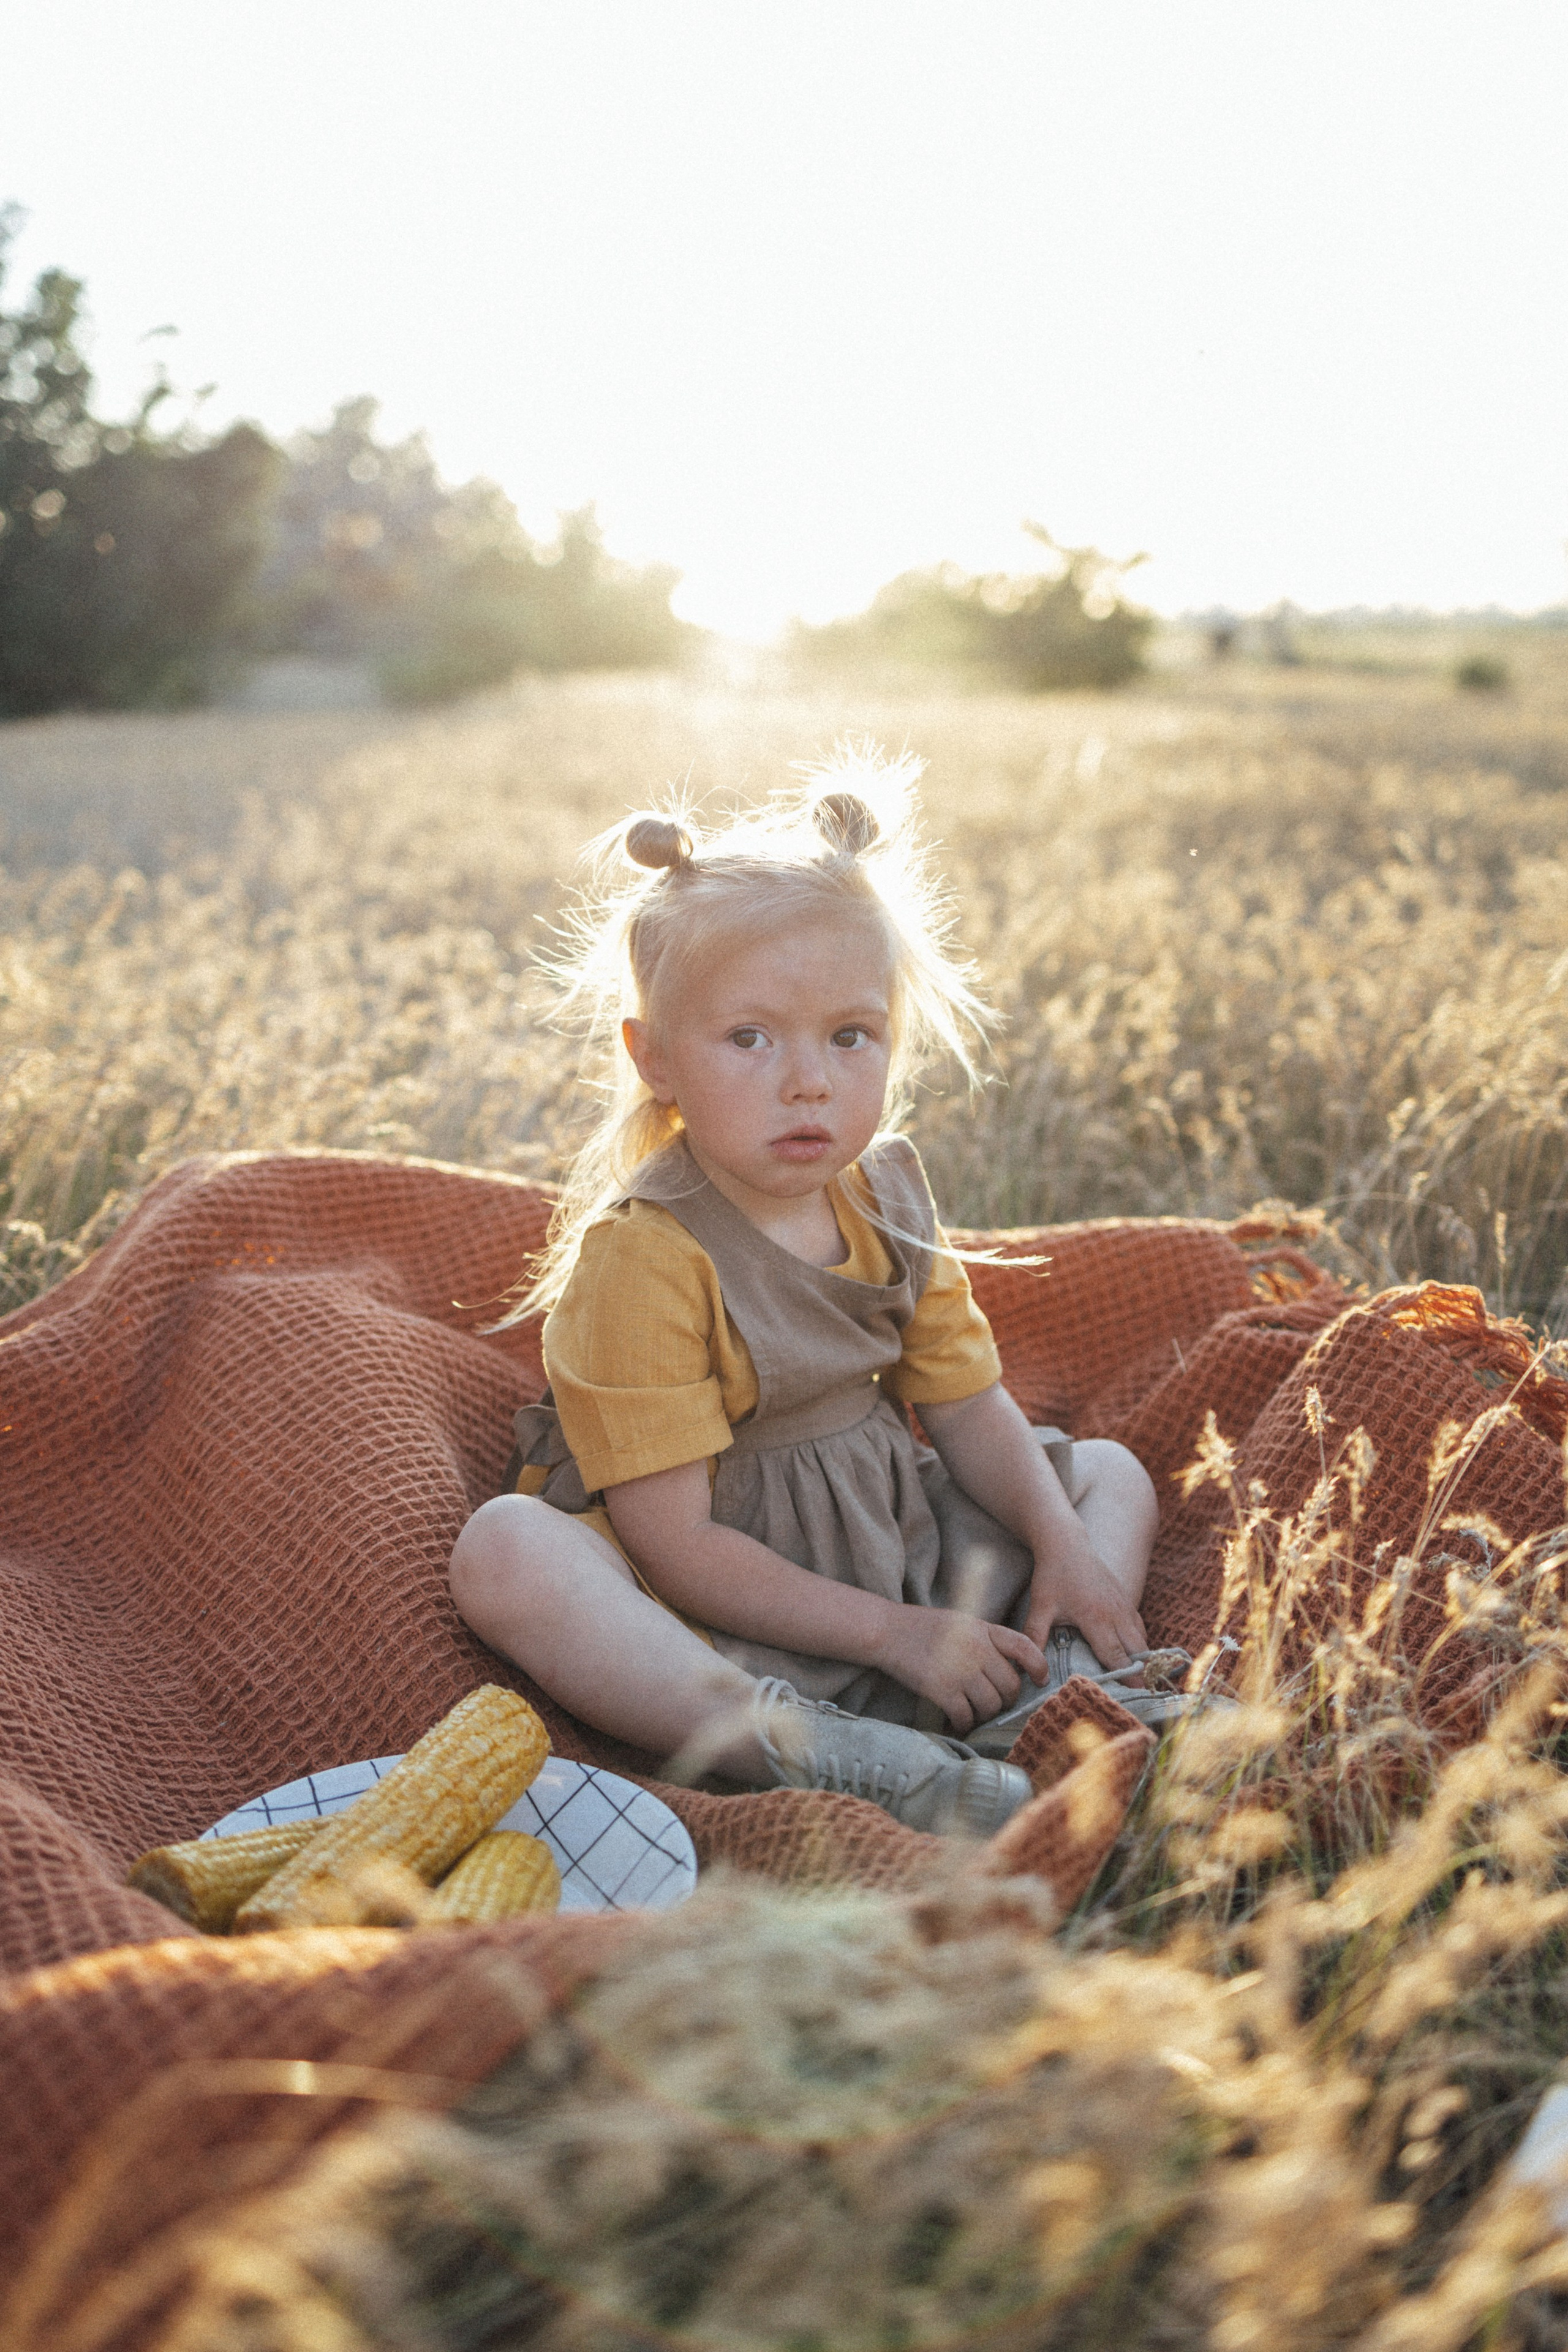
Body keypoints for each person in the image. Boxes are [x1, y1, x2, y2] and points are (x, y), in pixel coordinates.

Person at [450, 747, 1159, 1836]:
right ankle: (813, 1749)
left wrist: (1059, 1549)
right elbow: (676, 1543)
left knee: (1105, 1476)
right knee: (505, 1551)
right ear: (656, 1059)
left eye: (850, 1035)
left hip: (888, 1535)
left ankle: (1058, 1683)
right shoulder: (646, 1254)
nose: (809, 1080)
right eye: (749, 1038)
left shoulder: (885, 1191)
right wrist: (889, 1635)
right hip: (716, 1600)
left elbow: (967, 1407)